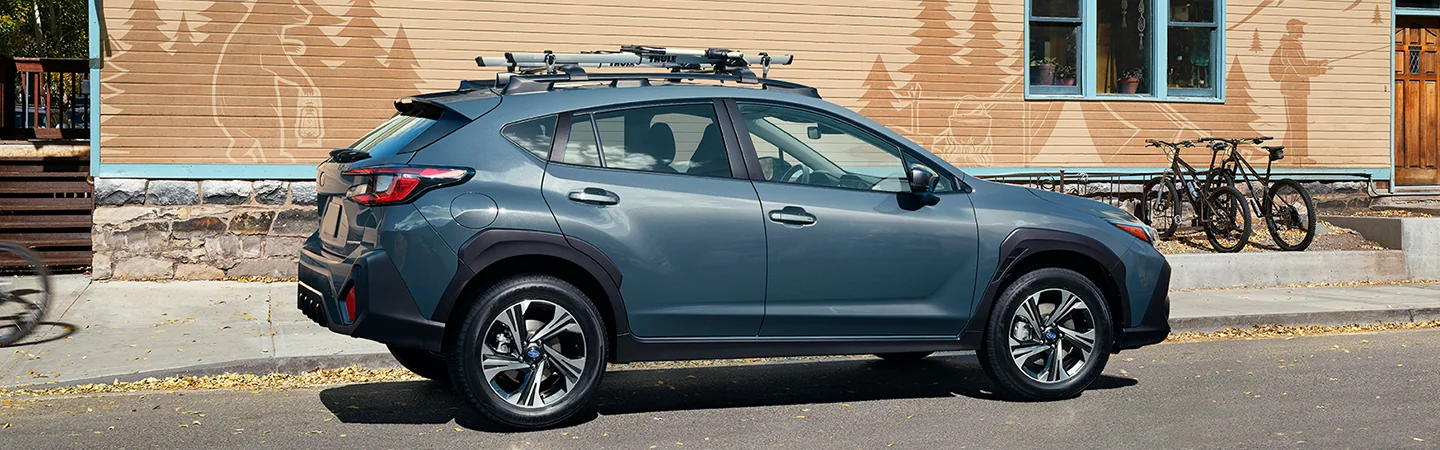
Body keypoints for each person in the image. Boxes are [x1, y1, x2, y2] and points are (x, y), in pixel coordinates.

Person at [1269, 18, 1330, 165]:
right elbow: (1299, 69)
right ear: (1292, 29)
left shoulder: (1292, 45)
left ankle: (1288, 155)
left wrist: (1317, 62)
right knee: (1298, 123)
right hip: (1293, 89)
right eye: (1300, 28)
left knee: (1295, 123)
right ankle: (1298, 157)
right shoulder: (1291, 45)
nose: (1302, 31)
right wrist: (1320, 70)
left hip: (1296, 89)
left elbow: (1300, 63)